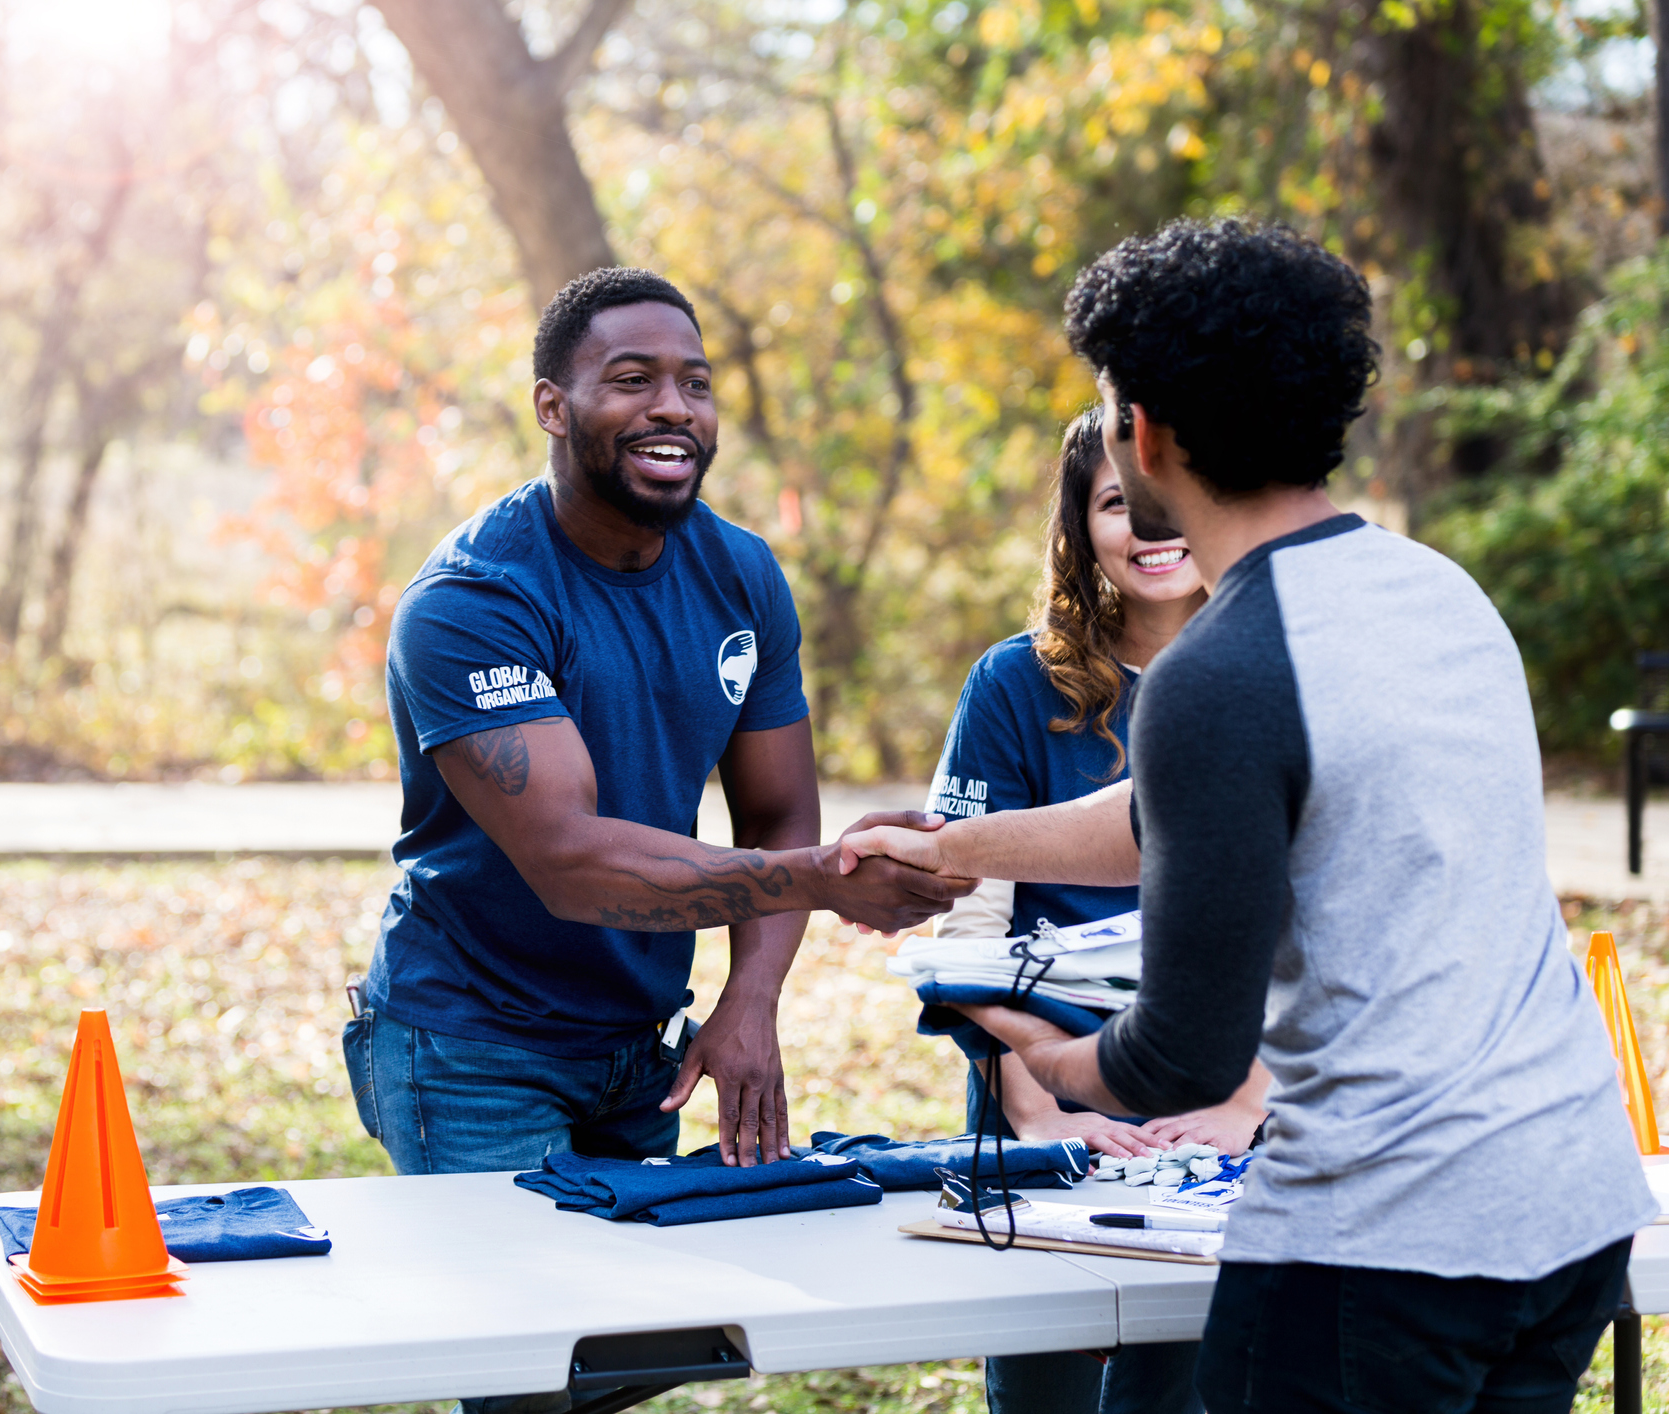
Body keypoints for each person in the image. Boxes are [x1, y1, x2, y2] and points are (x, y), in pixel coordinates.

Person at [846, 219, 1654, 1413]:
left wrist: (1043, 1063)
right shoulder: (1436, 594)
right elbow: (1180, 811)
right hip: (1569, 1209)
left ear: (1147, 432)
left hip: (1384, 1247)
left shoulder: (1214, 676)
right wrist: (954, 850)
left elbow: (1183, 1053)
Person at [345, 267, 968, 1190]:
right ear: (552, 407)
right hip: (474, 1046)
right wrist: (826, 883)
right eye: (633, 380)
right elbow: (568, 858)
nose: (673, 407)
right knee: (523, 1325)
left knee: (647, 1330)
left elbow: (778, 809)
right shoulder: (475, 598)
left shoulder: (740, 573)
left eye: (695, 383)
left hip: (642, 1047)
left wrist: (749, 1000)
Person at [915, 405, 1262, 1414]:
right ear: (1080, 526)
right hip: (1042, 1089)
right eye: (1121, 503)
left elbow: (1303, 924)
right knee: (1043, 1383)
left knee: (1179, 1386)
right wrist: (1037, 1107)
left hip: (1222, 1104)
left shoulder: (1267, 676)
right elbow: (971, 918)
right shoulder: (1012, 685)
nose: (1153, 531)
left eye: (1171, 504)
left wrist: (1242, 1105)